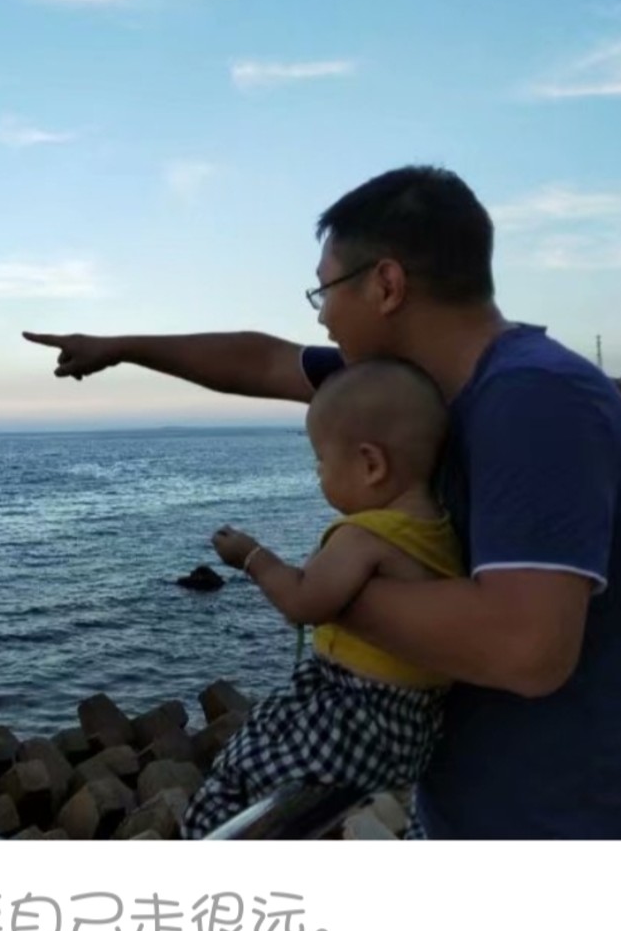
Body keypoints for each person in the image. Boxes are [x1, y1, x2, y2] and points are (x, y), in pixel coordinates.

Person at [23, 165, 621, 839]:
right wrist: (122, 347)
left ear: (386, 285)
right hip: (472, 814)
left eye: (324, 290)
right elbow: (261, 361)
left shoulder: (535, 399)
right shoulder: (415, 393)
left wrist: (315, 591)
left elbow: (525, 647)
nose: (322, 315)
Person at [182, 357, 464, 839]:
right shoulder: (438, 529)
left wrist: (250, 556)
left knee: (230, 783)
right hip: (413, 721)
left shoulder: (365, 535)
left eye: (321, 461)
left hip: (355, 710)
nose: (317, 474)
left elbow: (302, 602)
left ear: (371, 464)